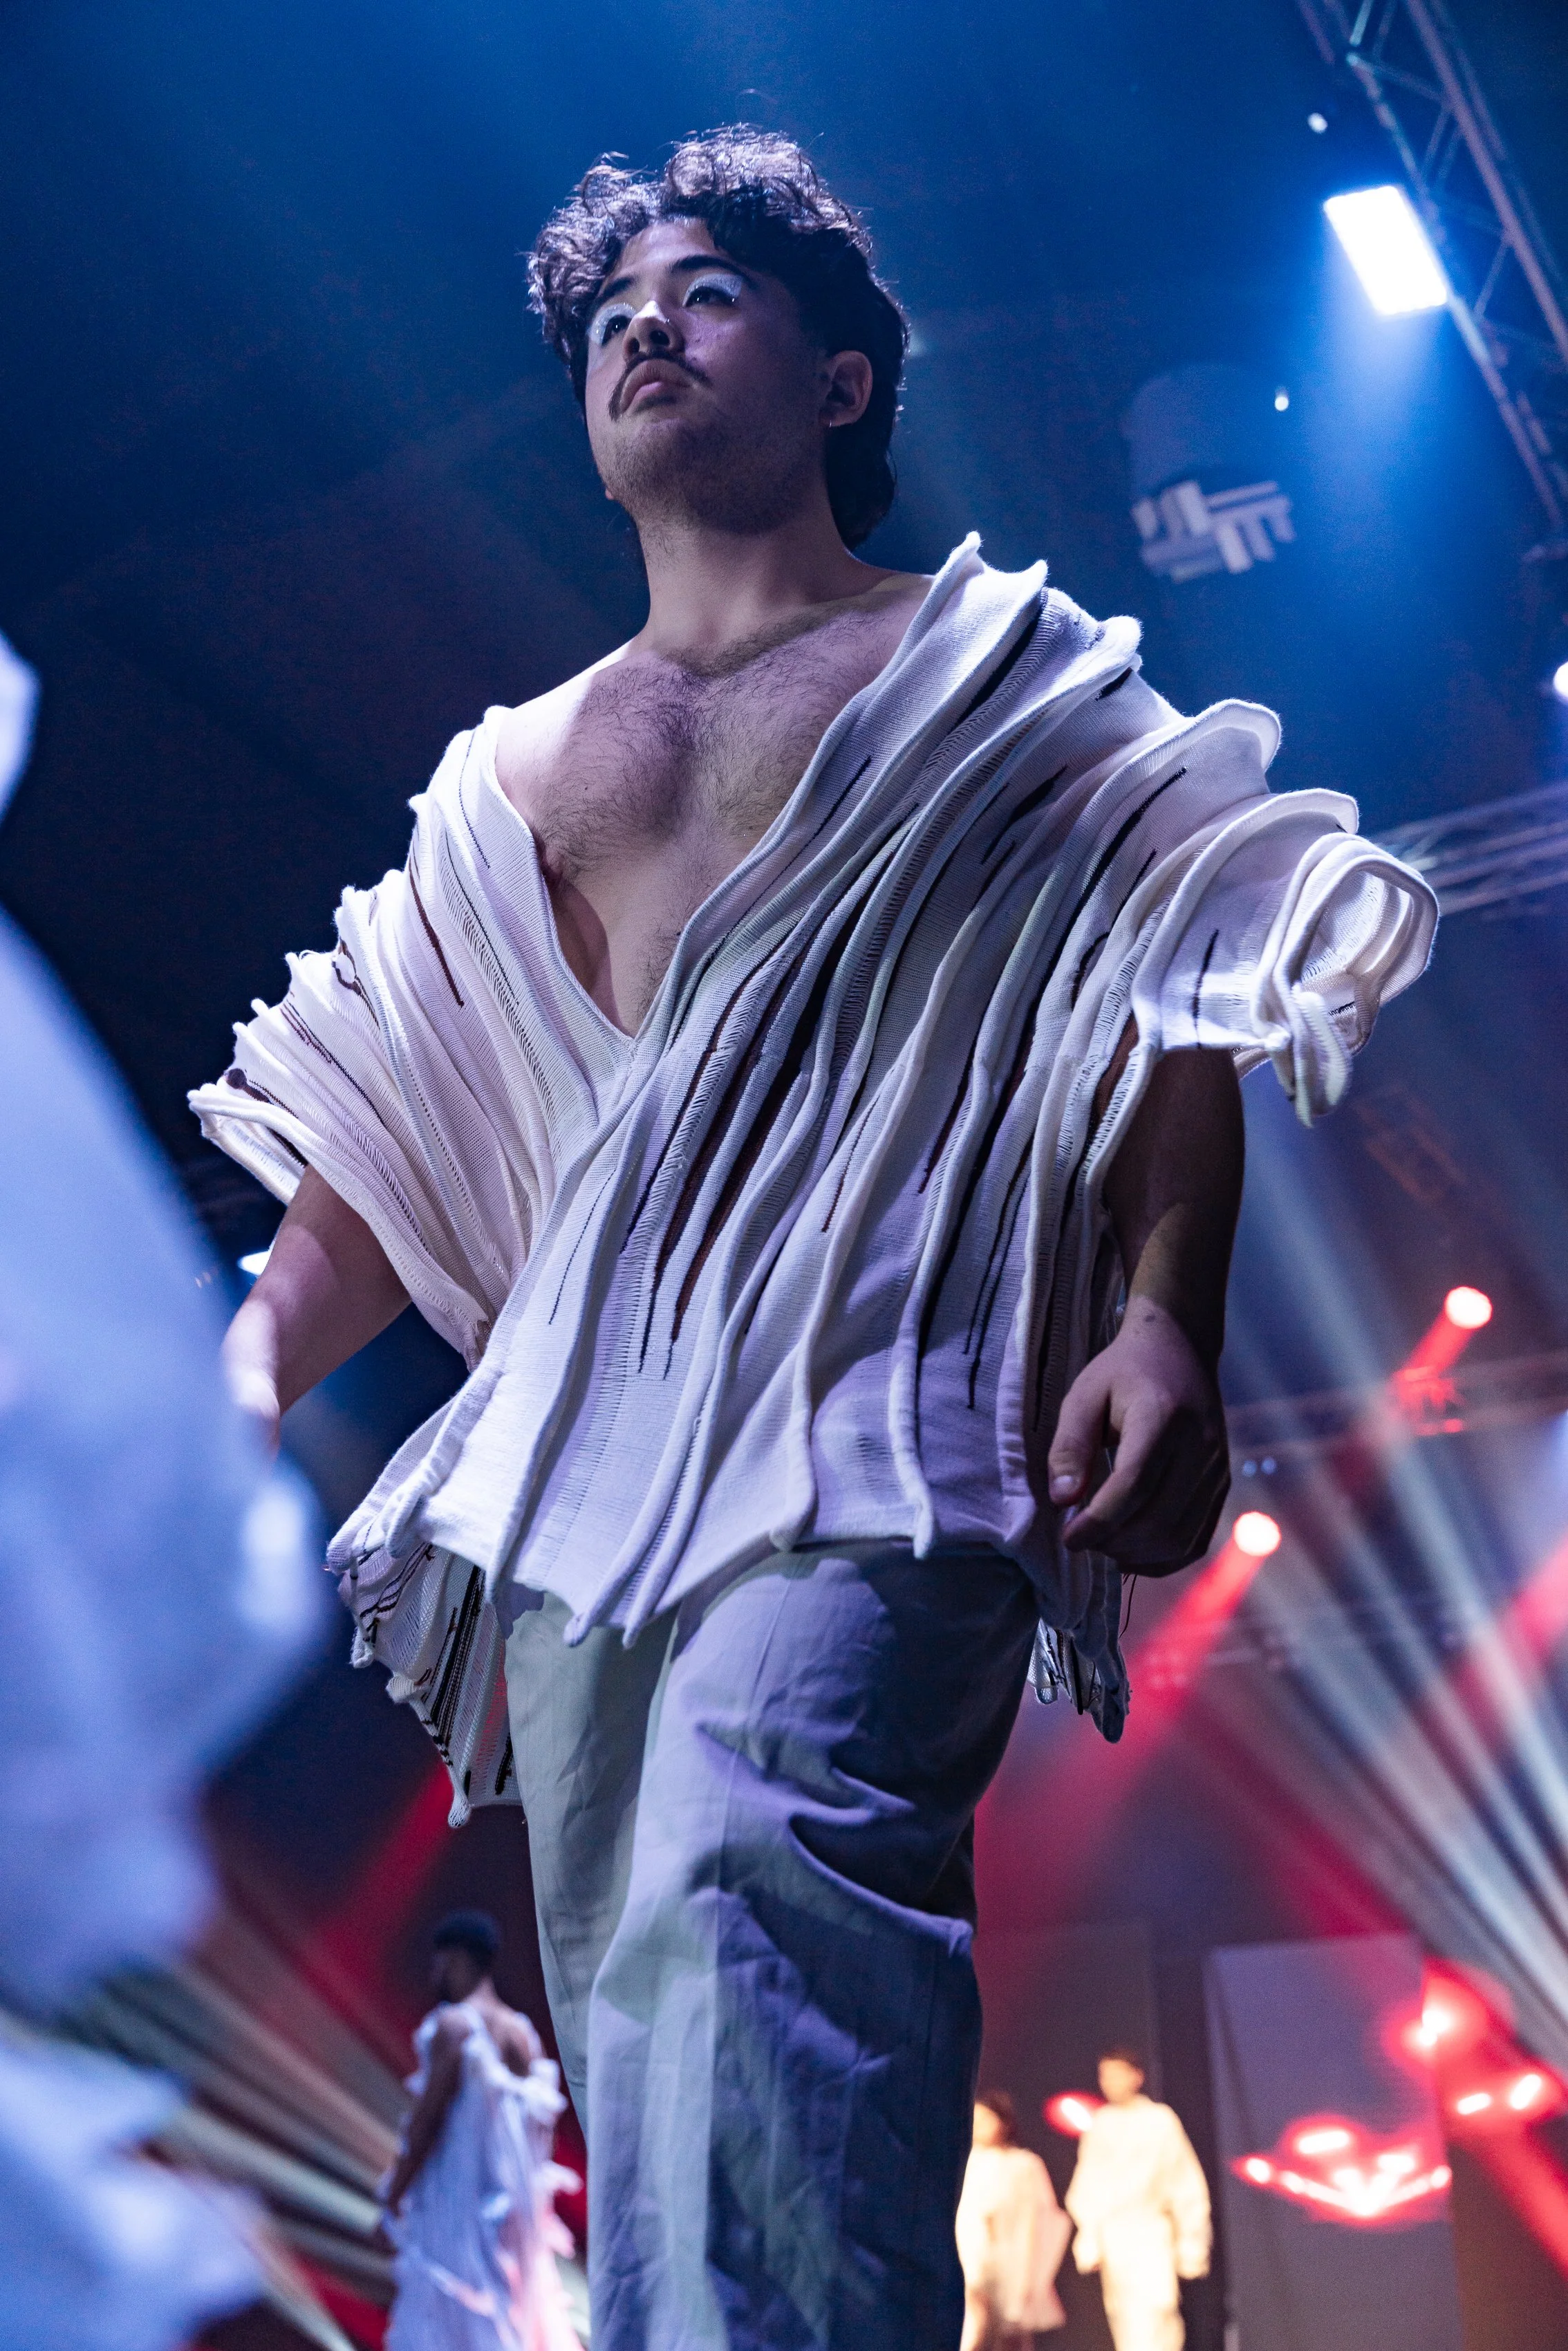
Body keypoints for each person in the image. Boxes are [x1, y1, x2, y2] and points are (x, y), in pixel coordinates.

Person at [191, 128, 1435, 2349]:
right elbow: (378, 1134)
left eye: (702, 292)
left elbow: (1168, 990)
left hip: (883, 1408)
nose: (644, 332)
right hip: (584, 1480)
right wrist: (232, 1383)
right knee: (656, 2015)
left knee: (747, 1890)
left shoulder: (995, 679)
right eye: (604, 324)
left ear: (848, 378)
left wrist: (1162, 1317)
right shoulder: (511, 774)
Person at [383, 1910, 580, 2351]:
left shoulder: (454, 2027)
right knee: (504, 2310)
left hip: (461, 2203)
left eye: (439, 1962)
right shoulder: (522, 2035)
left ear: (456, 1958)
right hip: (514, 2207)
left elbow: (428, 2119)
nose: (436, 1973)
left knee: (455, 2314)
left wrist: (395, 2191)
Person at [1065, 2049, 1211, 2351]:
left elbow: (1185, 2184)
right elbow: (1087, 2186)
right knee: (1124, 2323)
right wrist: (1090, 2238)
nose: (1111, 2082)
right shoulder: (1100, 2124)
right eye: (1105, 2075)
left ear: (1137, 2076)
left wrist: (1191, 2243)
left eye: (1118, 2074)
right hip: (1115, 2238)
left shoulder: (1159, 2121)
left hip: (1149, 2233)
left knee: (1156, 2317)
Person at [957, 2090, 1069, 2348]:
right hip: (968, 2259)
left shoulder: (1024, 2165)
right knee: (972, 2331)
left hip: (1009, 2264)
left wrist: (1031, 2279)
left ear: (1004, 2123)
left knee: (1008, 2336)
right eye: (975, 2119)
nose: (979, 2126)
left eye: (987, 2119)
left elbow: (1040, 2223)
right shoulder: (963, 2163)